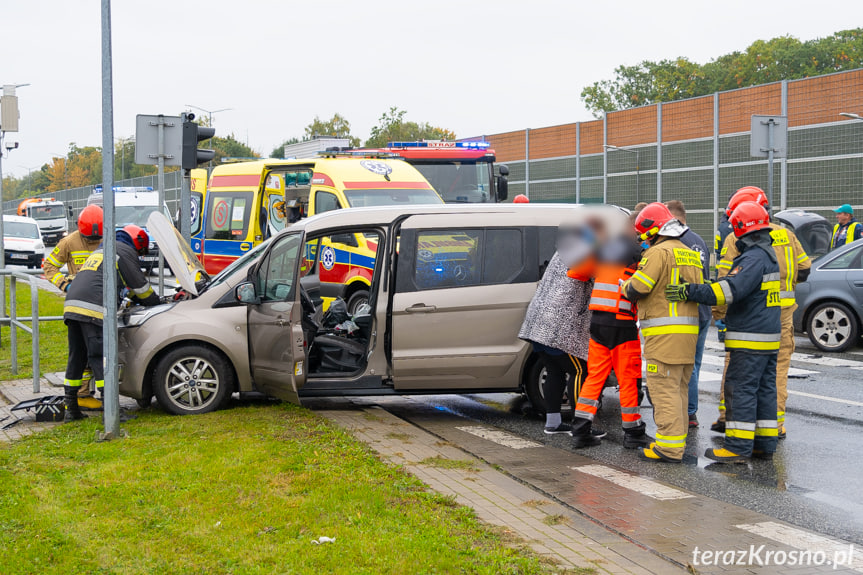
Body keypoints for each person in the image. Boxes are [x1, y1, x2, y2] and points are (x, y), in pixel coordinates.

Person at [667, 201, 781, 462]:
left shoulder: (752, 258)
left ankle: (737, 448)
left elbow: (728, 291)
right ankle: (764, 443)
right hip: (767, 337)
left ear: (741, 228)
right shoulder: (767, 254)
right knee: (763, 389)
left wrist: (691, 291)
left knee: (740, 389)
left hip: (749, 338)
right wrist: (711, 284)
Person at [710, 187, 810, 438]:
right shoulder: (787, 235)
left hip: (748, 317)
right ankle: (773, 427)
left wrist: (719, 314)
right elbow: (805, 269)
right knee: (775, 371)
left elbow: (726, 280)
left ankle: (727, 417)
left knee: (736, 367)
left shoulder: (737, 239)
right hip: (783, 315)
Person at [622, 203, 702, 463]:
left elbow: (639, 288)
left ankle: (667, 449)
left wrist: (625, 286)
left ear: (653, 230)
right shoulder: (689, 252)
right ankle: (675, 446)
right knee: (679, 391)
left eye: (643, 235)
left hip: (664, 338)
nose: (643, 241)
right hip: (687, 336)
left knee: (663, 392)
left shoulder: (658, 253)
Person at [62, 225, 162, 421]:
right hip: (93, 309)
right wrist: (156, 303)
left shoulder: (105, 247)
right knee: (100, 357)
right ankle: (112, 412)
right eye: (140, 252)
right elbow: (140, 287)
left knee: (77, 358)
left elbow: (125, 287)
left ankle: (71, 410)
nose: (139, 256)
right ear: (136, 243)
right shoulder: (124, 251)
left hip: (72, 306)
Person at [570, 231, 651, 449]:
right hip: (622, 323)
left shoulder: (602, 250)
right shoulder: (638, 254)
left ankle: (580, 430)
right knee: (628, 379)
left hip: (598, 322)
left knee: (595, 376)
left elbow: (575, 273)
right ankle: (633, 433)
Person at [519, 244, 593, 435]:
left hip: (538, 321)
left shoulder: (563, 250)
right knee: (579, 371)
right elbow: (589, 274)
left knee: (554, 370)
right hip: (558, 326)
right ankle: (581, 426)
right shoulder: (589, 253)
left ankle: (553, 422)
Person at [43, 205, 104, 408]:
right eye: (90, 239)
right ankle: (83, 394)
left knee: (95, 350)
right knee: (84, 352)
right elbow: (49, 266)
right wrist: (65, 285)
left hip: (101, 304)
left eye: (97, 240)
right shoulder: (69, 242)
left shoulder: (107, 240)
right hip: (80, 305)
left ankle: (85, 394)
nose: (94, 243)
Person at [665, 200, 710, 428]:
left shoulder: (673, 242)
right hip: (703, 311)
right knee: (695, 365)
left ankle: (684, 413)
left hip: (683, 312)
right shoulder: (700, 241)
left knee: (680, 366)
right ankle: (691, 412)